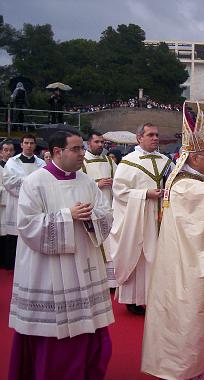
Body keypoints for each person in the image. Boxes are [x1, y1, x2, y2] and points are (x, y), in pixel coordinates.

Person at [142, 104, 204, 379]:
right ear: (195, 157)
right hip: (189, 270)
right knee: (195, 314)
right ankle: (192, 368)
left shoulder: (195, 180)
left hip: (192, 262)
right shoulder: (187, 186)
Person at [8, 130, 114, 380]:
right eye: (76, 149)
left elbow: (105, 212)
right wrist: (68, 216)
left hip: (83, 262)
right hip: (48, 269)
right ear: (57, 152)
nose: (82, 154)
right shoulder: (35, 182)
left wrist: (93, 218)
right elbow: (26, 225)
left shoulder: (86, 181)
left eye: (81, 149)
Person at [110, 123, 174, 315]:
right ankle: (134, 299)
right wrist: (145, 193)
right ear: (139, 138)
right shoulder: (129, 162)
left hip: (161, 218)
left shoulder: (166, 161)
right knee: (139, 258)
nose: (155, 138)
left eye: (157, 135)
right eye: (150, 135)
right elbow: (119, 191)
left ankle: (157, 299)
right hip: (138, 220)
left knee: (160, 259)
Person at [2, 135, 45, 269]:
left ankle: (34, 262)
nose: (29, 145)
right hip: (17, 201)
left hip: (36, 203)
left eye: (31, 143)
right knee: (15, 234)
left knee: (34, 232)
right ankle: (13, 264)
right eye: (26, 143)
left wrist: (28, 184)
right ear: (21, 145)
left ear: (35, 145)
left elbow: (44, 182)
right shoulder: (12, 162)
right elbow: (8, 181)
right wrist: (29, 184)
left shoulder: (41, 163)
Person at [82, 131, 118, 288]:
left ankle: (111, 281)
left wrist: (114, 183)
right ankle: (96, 280)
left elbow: (120, 180)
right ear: (89, 143)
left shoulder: (109, 162)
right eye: (96, 142)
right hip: (92, 211)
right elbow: (78, 185)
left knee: (110, 246)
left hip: (109, 208)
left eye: (102, 142)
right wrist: (98, 184)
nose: (100, 145)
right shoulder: (81, 162)